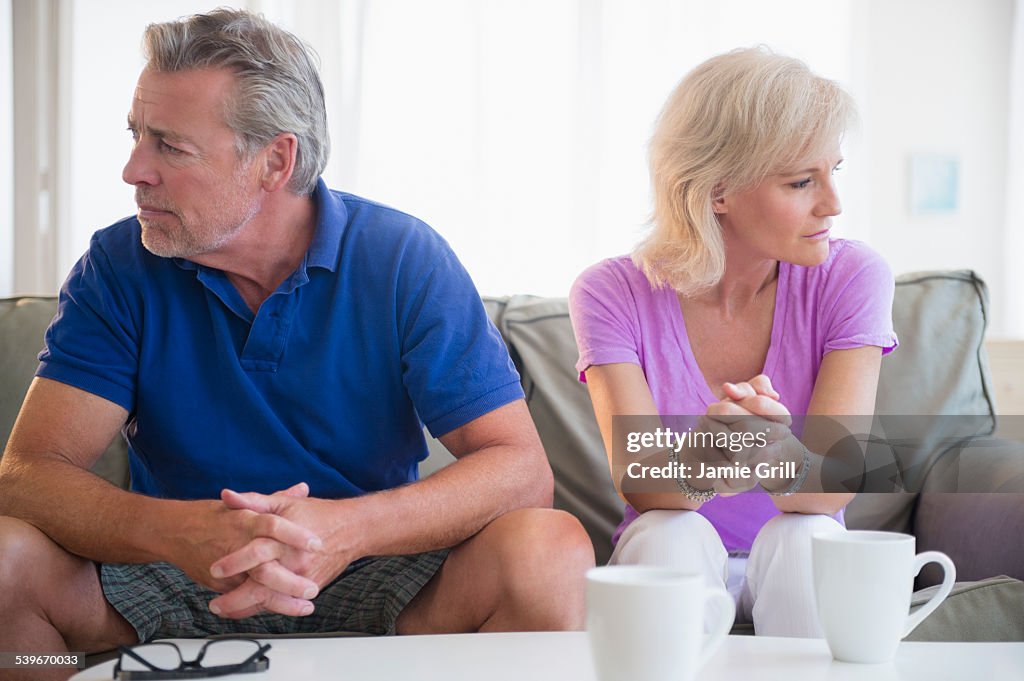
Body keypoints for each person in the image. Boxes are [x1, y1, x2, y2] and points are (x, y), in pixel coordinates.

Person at [0, 9, 594, 677]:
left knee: (550, 554)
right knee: (4, 564)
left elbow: (521, 470)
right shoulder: (119, 266)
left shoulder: (402, 258)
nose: (134, 169)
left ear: (274, 161)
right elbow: (28, 475)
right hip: (167, 572)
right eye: (137, 136)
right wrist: (181, 531)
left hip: (377, 573)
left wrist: (344, 530)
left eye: (170, 145)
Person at [569, 47, 897, 637]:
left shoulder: (853, 276)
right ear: (717, 190)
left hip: (799, 544)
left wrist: (773, 450)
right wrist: (701, 461)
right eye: (802, 181)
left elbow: (832, 485)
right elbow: (644, 484)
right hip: (673, 550)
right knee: (670, 533)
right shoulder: (610, 292)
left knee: (804, 538)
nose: (833, 204)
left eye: (834, 172)